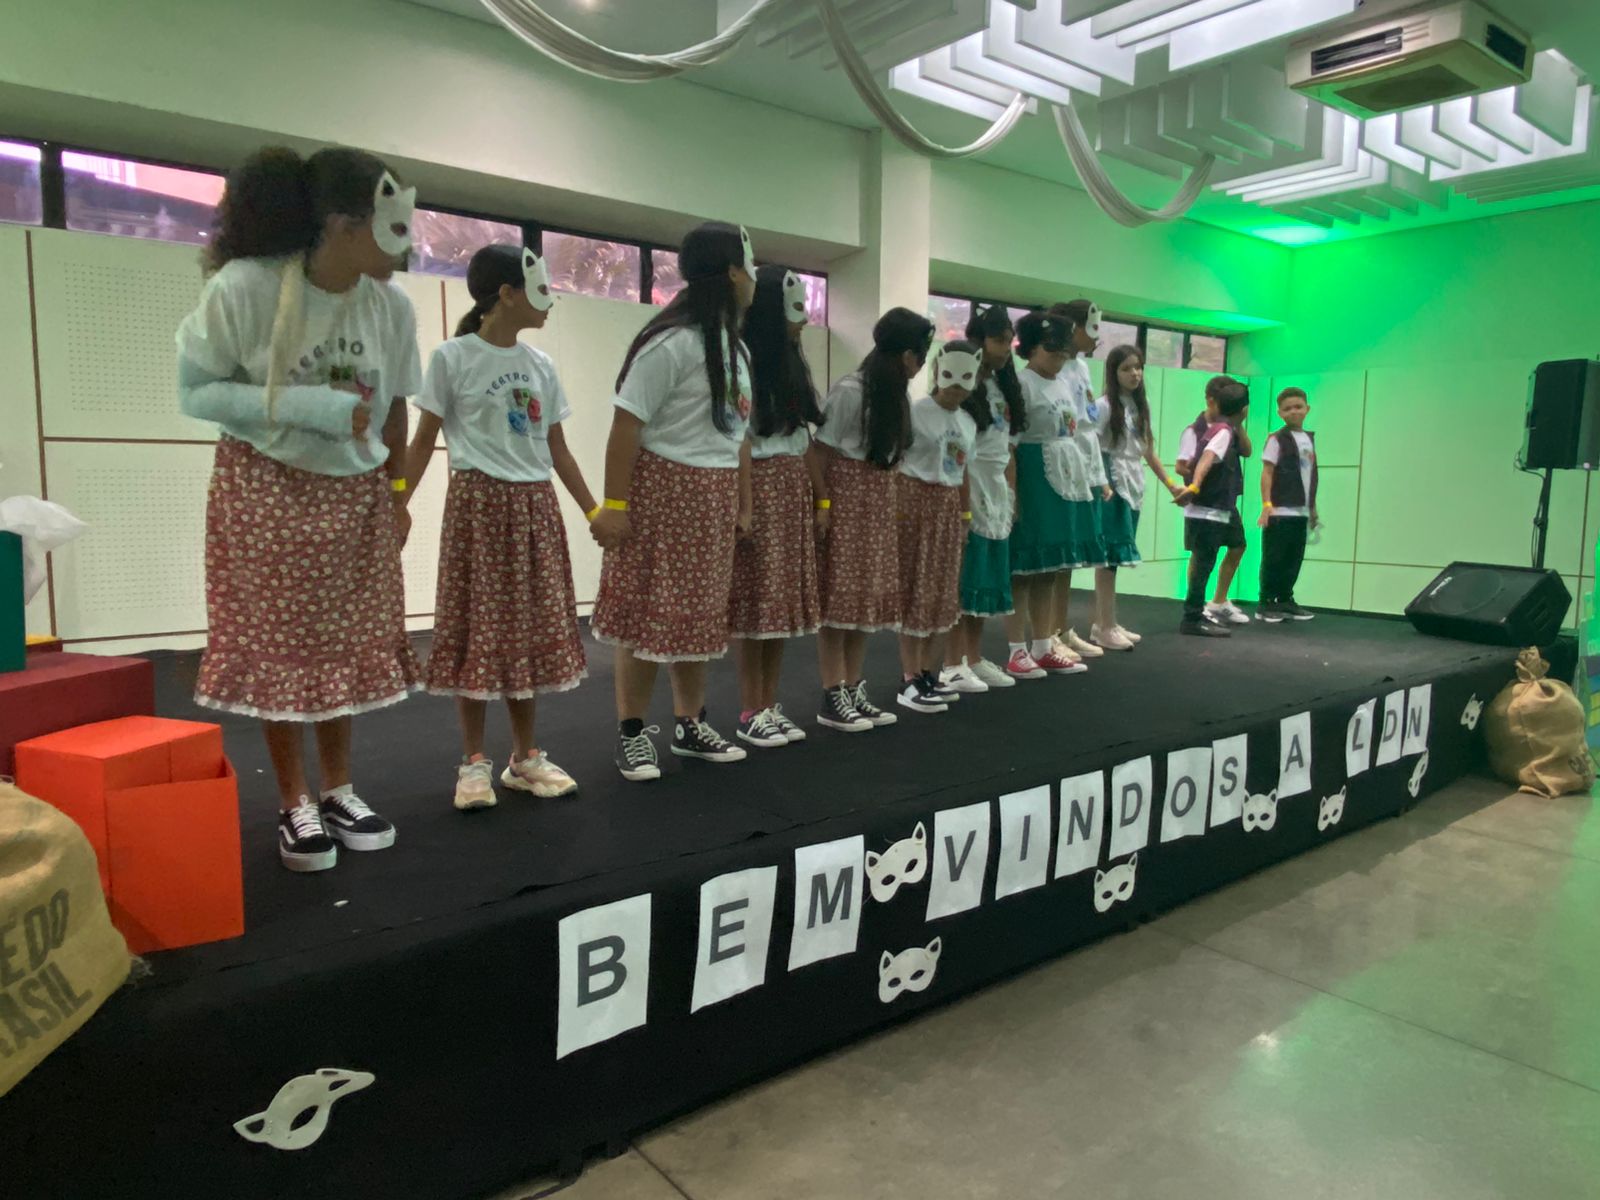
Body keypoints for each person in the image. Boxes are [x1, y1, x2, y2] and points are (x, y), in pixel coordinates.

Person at [176, 145, 421, 873]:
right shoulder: (246, 287)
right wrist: (310, 407)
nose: (407, 248)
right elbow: (196, 391)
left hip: (356, 493)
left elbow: (396, 405)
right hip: (268, 488)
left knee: (340, 647)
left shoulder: (390, 307)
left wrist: (398, 492)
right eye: (391, 227)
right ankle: (294, 800)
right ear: (343, 226)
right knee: (280, 651)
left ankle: (339, 788)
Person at [404, 243, 594, 810]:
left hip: (535, 508)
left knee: (528, 631)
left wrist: (593, 510)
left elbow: (557, 447)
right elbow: (422, 441)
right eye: (539, 289)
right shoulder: (453, 358)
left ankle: (525, 757)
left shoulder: (542, 365)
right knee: (476, 629)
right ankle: (473, 762)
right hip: (478, 508)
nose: (549, 301)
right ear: (506, 294)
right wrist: (397, 504)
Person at [589, 222, 757, 781]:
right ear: (731, 272)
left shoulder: (736, 348)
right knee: (645, 615)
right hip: (663, 494)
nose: (753, 279)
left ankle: (690, 724)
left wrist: (741, 502)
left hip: (711, 499)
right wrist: (614, 505)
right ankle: (633, 733)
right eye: (749, 268)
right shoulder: (671, 343)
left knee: (699, 619)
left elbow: (736, 435)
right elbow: (626, 425)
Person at [812, 308, 934, 731]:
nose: (919, 365)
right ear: (906, 355)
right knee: (839, 600)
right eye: (920, 355)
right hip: (847, 500)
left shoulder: (897, 397)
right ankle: (832, 693)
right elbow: (820, 453)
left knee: (866, 599)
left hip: (878, 501)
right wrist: (822, 505)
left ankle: (853, 685)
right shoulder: (851, 391)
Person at [728, 266, 826, 748]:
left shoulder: (791, 364)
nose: (804, 320)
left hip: (791, 491)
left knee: (780, 606)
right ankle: (750, 708)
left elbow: (802, 438)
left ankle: (769, 703)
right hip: (762, 487)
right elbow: (741, 442)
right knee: (757, 605)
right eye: (795, 310)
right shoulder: (741, 363)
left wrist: (821, 497)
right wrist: (745, 505)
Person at [1004, 310, 1092, 679]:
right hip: (1033, 476)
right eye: (1050, 349)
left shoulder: (1063, 382)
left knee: (1050, 568)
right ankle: (1016, 650)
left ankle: (1043, 644)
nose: (1059, 357)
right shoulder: (1021, 384)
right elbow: (1010, 443)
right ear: (1030, 348)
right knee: (1024, 568)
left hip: (1063, 479)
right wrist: (1013, 493)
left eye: (1062, 350)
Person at [896, 340, 980, 713]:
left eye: (964, 384)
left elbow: (963, 472)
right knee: (916, 586)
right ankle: (909, 676)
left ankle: (929, 672)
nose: (956, 390)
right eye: (951, 381)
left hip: (947, 506)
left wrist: (965, 516)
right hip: (915, 501)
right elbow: (897, 461)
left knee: (943, 590)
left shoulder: (967, 422)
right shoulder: (916, 413)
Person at [943, 304, 1022, 693]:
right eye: (998, 340)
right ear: (978, 340)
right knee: (964, 577)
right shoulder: (963, 387)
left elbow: (1008, 447)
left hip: (996, 486)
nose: (1005, 348)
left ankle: (972, 656)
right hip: (968, 481)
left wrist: (1012, 492)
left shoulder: (1003, 386)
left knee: (988, 577)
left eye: (1009, 341)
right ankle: (950, 662)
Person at [1090, 344, 1184, 649]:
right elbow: (1090, 445)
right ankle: (1104, 625)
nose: (1135, 373)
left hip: (1132, 480)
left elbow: (1148, 451)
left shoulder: (1140, 406)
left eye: (1138, 367)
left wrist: (1171, 485)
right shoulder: (1104, 405)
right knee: (1108, 556)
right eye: (1127, 368)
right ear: (1113, 372)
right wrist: (1100, 481)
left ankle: (1108, 622)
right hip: (1111, 479)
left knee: (1116, 556)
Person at [1044, 300, 1111, 662]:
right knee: (1055, 556)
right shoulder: (1054, 369)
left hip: (1084, 459)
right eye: (1091, 328)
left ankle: (1061, 626)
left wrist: (1097, 474)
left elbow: (1087, 421)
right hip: (1061, 460)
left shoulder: (1082, 366)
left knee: (1070, 555)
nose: (1097, 337)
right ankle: (1046, 633)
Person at [1177, 376, 1251, 638]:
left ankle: (1216, 603)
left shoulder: (1228, 429)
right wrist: (1196, 483)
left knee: (1236, 545)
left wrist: (1239, 424)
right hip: (1205, 505)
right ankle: (1193, 616)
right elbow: (1196, 461)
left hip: (1225, 503)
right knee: (1202, 560)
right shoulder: (1200, 431)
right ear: (1211, 400)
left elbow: (1246, 451)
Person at [1257, 386, 1318, 622]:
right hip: (1279, 510)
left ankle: (1285, 599)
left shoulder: (1309, 439)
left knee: (1294, 558)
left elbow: (1309, 476)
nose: (1294, 412)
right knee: (1274, 557)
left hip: (1300, 511)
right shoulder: (1276, 439)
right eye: (1288, 408)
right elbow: (1267, 472)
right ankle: (1265, 602)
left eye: (1298, 407)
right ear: (1280, 413)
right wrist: (1266, 504)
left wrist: (1312, 507)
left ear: (1307, 409)